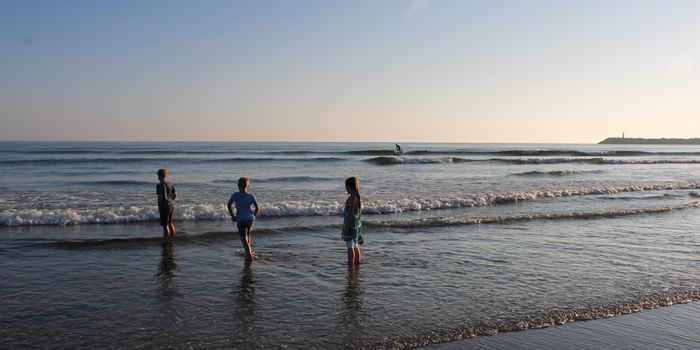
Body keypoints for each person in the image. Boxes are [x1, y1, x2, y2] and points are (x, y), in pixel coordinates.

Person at [227, 177, 260, 261]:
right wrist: (254, 215)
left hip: (241, 219)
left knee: (243, 237)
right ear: (248, 186)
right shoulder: (251, 195)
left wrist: (232, 215)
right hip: (250, 218)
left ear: (238, 185)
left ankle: (249, 254)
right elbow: (257, 207)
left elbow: (229, 204)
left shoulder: (235, 195)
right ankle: (248, 251)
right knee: (247, 235)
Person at [342, 177, 362, 266]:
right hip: (356, 224)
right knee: (355, 245)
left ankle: (351, 265)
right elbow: (358, 214)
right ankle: (357, 264)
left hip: (351, 224)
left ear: (350, 186)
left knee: (350, 246)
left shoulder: (352, 197)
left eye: (346, 186)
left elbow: (350, 214)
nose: (345, 188)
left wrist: (346, 226)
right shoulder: (356, 197)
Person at [156, 168, 177, 238]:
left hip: (164, 206)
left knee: (165, 225)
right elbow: (175, 195)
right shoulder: (170, 184)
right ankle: (173, 236)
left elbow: (160, 197)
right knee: (170, 223)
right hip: (171, 205)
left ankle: (166, 239)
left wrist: (159, 206)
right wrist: (171, 200)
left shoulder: (159, 185)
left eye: (158, 176)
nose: (158, 178)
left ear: (161, 176)